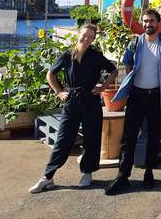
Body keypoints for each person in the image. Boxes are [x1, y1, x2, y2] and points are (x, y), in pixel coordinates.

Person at [29, 24, 118, 193]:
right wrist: (59, 92)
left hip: (91, 100)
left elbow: (113, 71)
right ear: (79, 34)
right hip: (72, 101)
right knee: (63, 139)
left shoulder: (96, 56)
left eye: (91, 37)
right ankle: (48, 177)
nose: (87, 39)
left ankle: (87, 172)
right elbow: (50, 74)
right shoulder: (67, 56)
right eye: (85, 35)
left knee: (92, 138)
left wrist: (103, 87)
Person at [105, 9, 161, 195]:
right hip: (137, 95)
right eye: (145, 21)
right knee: (129, 136)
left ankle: (149, 172)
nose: (148, 24)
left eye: (152, 21)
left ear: (159, 22)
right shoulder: (134, 43)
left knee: (154, 136)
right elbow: (128, 65)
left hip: (156, 96)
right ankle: (123, 176)